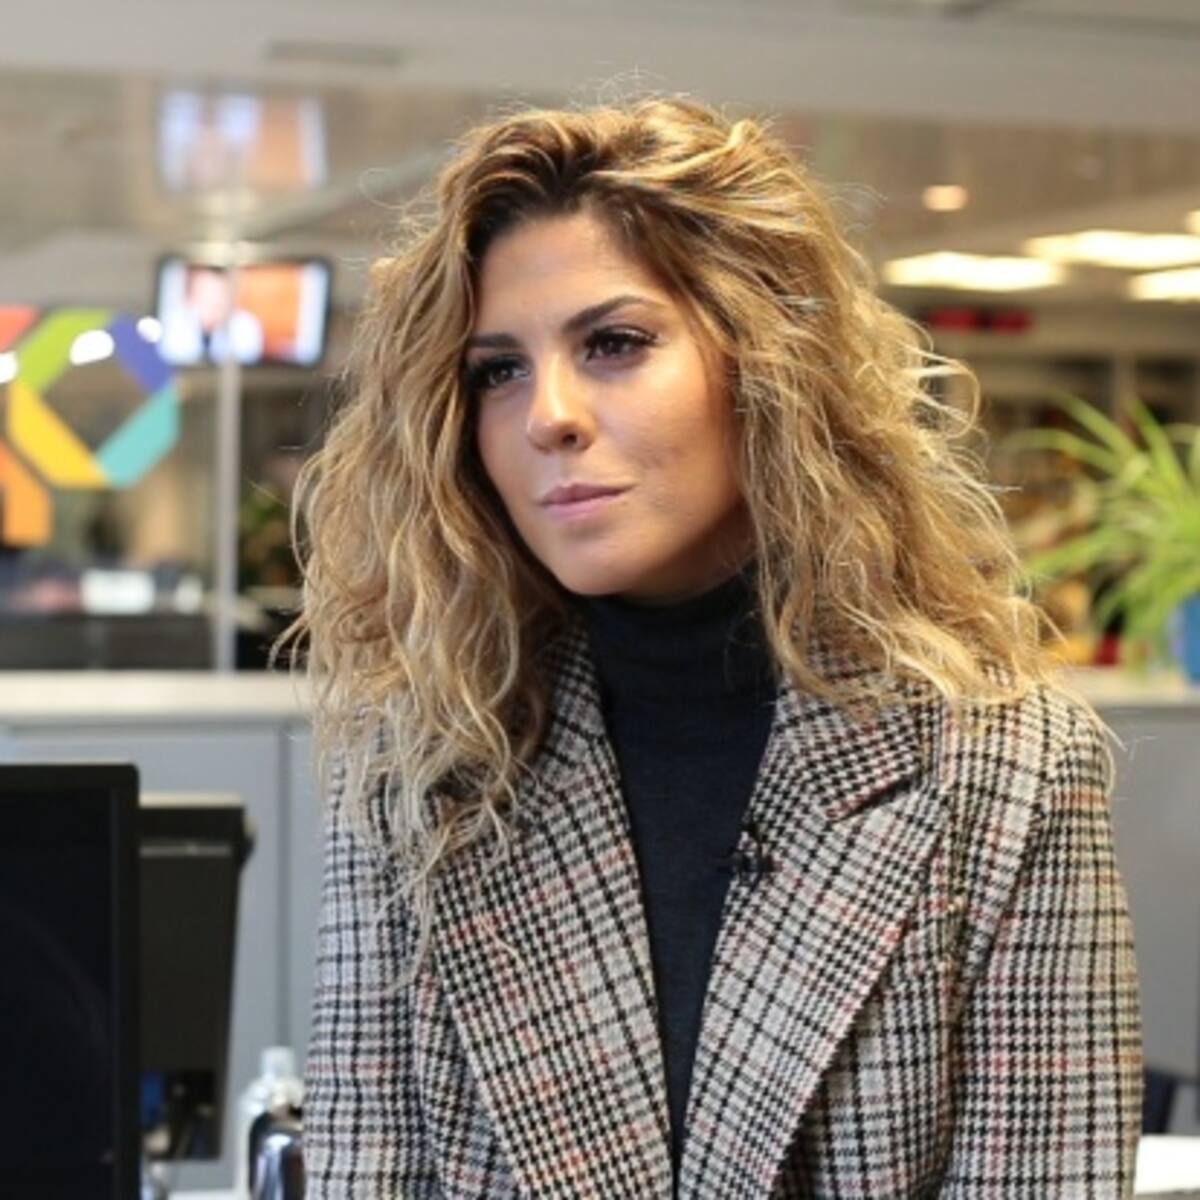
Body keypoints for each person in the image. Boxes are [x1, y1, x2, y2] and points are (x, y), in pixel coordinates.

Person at [280, 95, 1143, 1198]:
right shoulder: (422, 766)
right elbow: (367, 1170)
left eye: (614, 344)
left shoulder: (1008, 770)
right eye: (498, 369)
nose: (547, 414)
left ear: (769, 364)